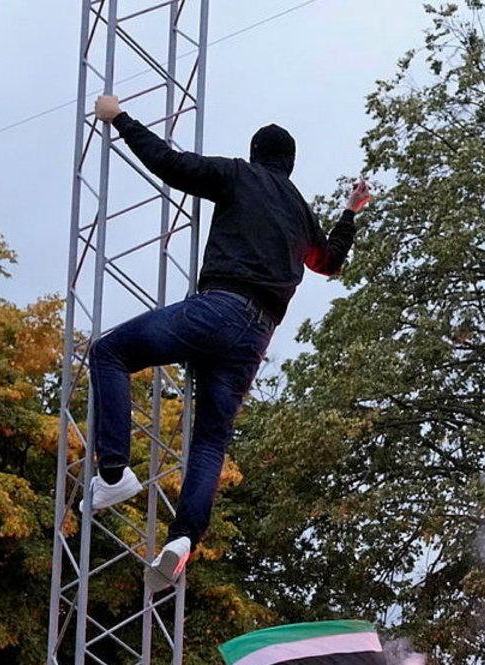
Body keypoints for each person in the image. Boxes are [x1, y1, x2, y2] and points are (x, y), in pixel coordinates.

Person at [82, 94, 370, 590]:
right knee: (211, 438)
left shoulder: (240, 175)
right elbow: (330, 263)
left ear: (256, 153)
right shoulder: (301, 212)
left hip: (220, 308)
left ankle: (113, 474)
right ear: (291, 164)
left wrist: (121, 119)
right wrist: (350, 210)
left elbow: (170, 165)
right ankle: (183, 539)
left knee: (109, 353)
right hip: (256, 337)